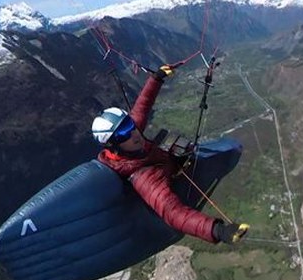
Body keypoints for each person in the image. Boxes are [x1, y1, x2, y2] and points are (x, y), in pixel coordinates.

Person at [91, 64, 248, 244]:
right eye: (123, 133)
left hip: (166, 162)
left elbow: (142, 107)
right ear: (113, 146)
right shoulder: (143, 178)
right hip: (168, 178)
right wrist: (218, 230)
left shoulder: (131, 137)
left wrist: (156, 78)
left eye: (129, 124)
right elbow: (173, 213)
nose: (133, 132)